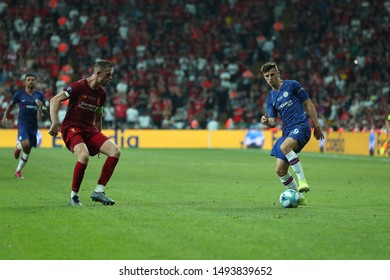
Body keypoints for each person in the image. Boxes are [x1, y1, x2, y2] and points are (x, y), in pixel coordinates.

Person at [48, 59, 121, 206]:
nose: (110, 78)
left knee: (115, 151)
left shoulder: (101, 94)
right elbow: (54, 100)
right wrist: (55, 123)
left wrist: (99, 141)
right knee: (84, 155)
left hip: (90, 129)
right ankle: (74, 196)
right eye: (108, 75)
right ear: (98, 74)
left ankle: (99, 191)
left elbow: (98, 116)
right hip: (72, 127)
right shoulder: (78, 86)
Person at [259, 62, 324, 205]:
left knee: (285, 147)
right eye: (267, 76)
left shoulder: (292, 85)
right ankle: (300, 199)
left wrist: (317, 126)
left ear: (278, 73)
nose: (270, 78)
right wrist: (266, 122)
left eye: (272, 75)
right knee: (280, 170)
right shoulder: (271, 98)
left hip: (301, 126)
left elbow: (308, 104)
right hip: (287, 131)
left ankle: (302, 181)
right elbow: (273, 122)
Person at [1, 73, 46, 179]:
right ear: (25, 82)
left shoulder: (39, 95)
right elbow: (11, 105)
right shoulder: (19, 94)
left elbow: (45, 114)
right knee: (25, 144)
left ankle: (18, 171)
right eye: (29, 79)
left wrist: (42, 107)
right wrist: (4, 117)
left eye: (32, 79)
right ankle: (18, 146)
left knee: (27, 150)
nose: (31, 81)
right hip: (23, 124)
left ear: (35, 82)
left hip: (33, 127)